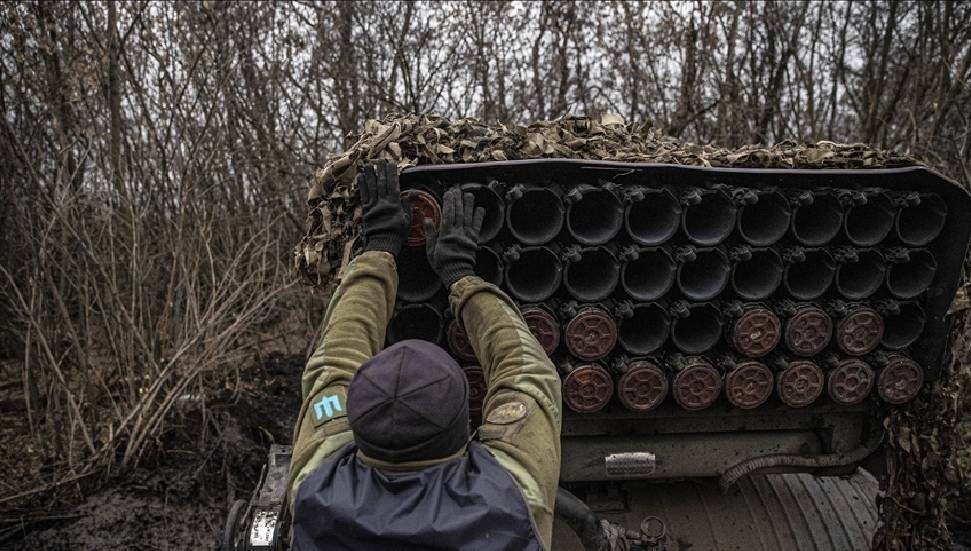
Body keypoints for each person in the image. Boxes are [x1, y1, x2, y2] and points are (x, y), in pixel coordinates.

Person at [287, 160, 562, 550]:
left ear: (355, 421)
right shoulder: (513, 494)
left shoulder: (314, 486)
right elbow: (528, 370)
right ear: (462, 426)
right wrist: (461, 276)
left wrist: (379, 249)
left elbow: (333, 362)